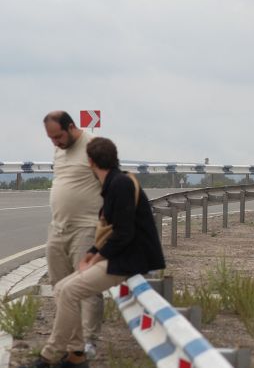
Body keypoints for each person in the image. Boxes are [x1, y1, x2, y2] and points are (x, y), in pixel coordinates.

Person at [21, 137, 166, 368]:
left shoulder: (120, 184)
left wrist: (96, 257)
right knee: (60, 289)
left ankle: (49, 356)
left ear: (90, 162)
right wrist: (93, 251)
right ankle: (75, 355)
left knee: (68, 292)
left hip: (129, 261)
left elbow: (123, 233)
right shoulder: (115, 182)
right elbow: (114, 230)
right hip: (121, 257)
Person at [42, 111, 103, 358]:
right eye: (50, 139)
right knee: (60, 288)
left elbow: (110, 184)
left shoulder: (92, 148)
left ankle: (89, 340)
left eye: (58, 136)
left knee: (84, 286)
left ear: (71, 127)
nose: (55, 142)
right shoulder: (58, 150)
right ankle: (74, 347)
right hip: (57, 229)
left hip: (86, 228)